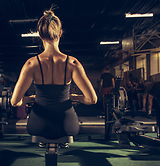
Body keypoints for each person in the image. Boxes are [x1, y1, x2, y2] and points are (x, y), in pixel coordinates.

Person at [11, 8, 97, 140]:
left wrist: (31, 99)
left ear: (40, 35)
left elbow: (15, 101)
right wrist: (74, 97)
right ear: (60, 33)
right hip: (67, 125)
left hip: (38, 125)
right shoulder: (72, 63)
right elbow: (92, 99)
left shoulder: (31, 64)